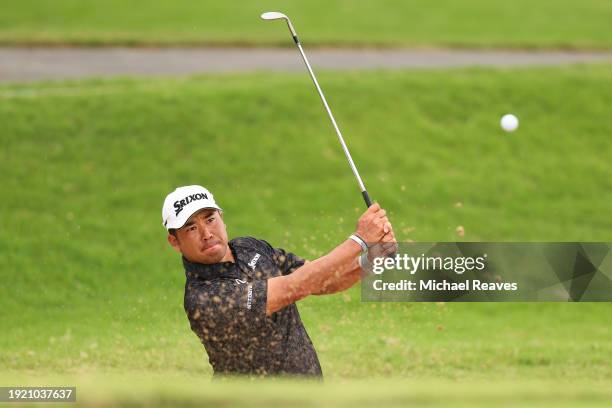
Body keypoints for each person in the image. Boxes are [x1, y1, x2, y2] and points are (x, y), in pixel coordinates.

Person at [162, 185, 396, 377]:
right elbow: (293, 288)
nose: (206, 233)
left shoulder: (249, 247)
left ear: (222, 219)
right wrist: (359, 240)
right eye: (191, 228)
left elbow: (321, 280)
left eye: (210, 219)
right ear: (175, 241)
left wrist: (374, 258)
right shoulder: (203, 297)